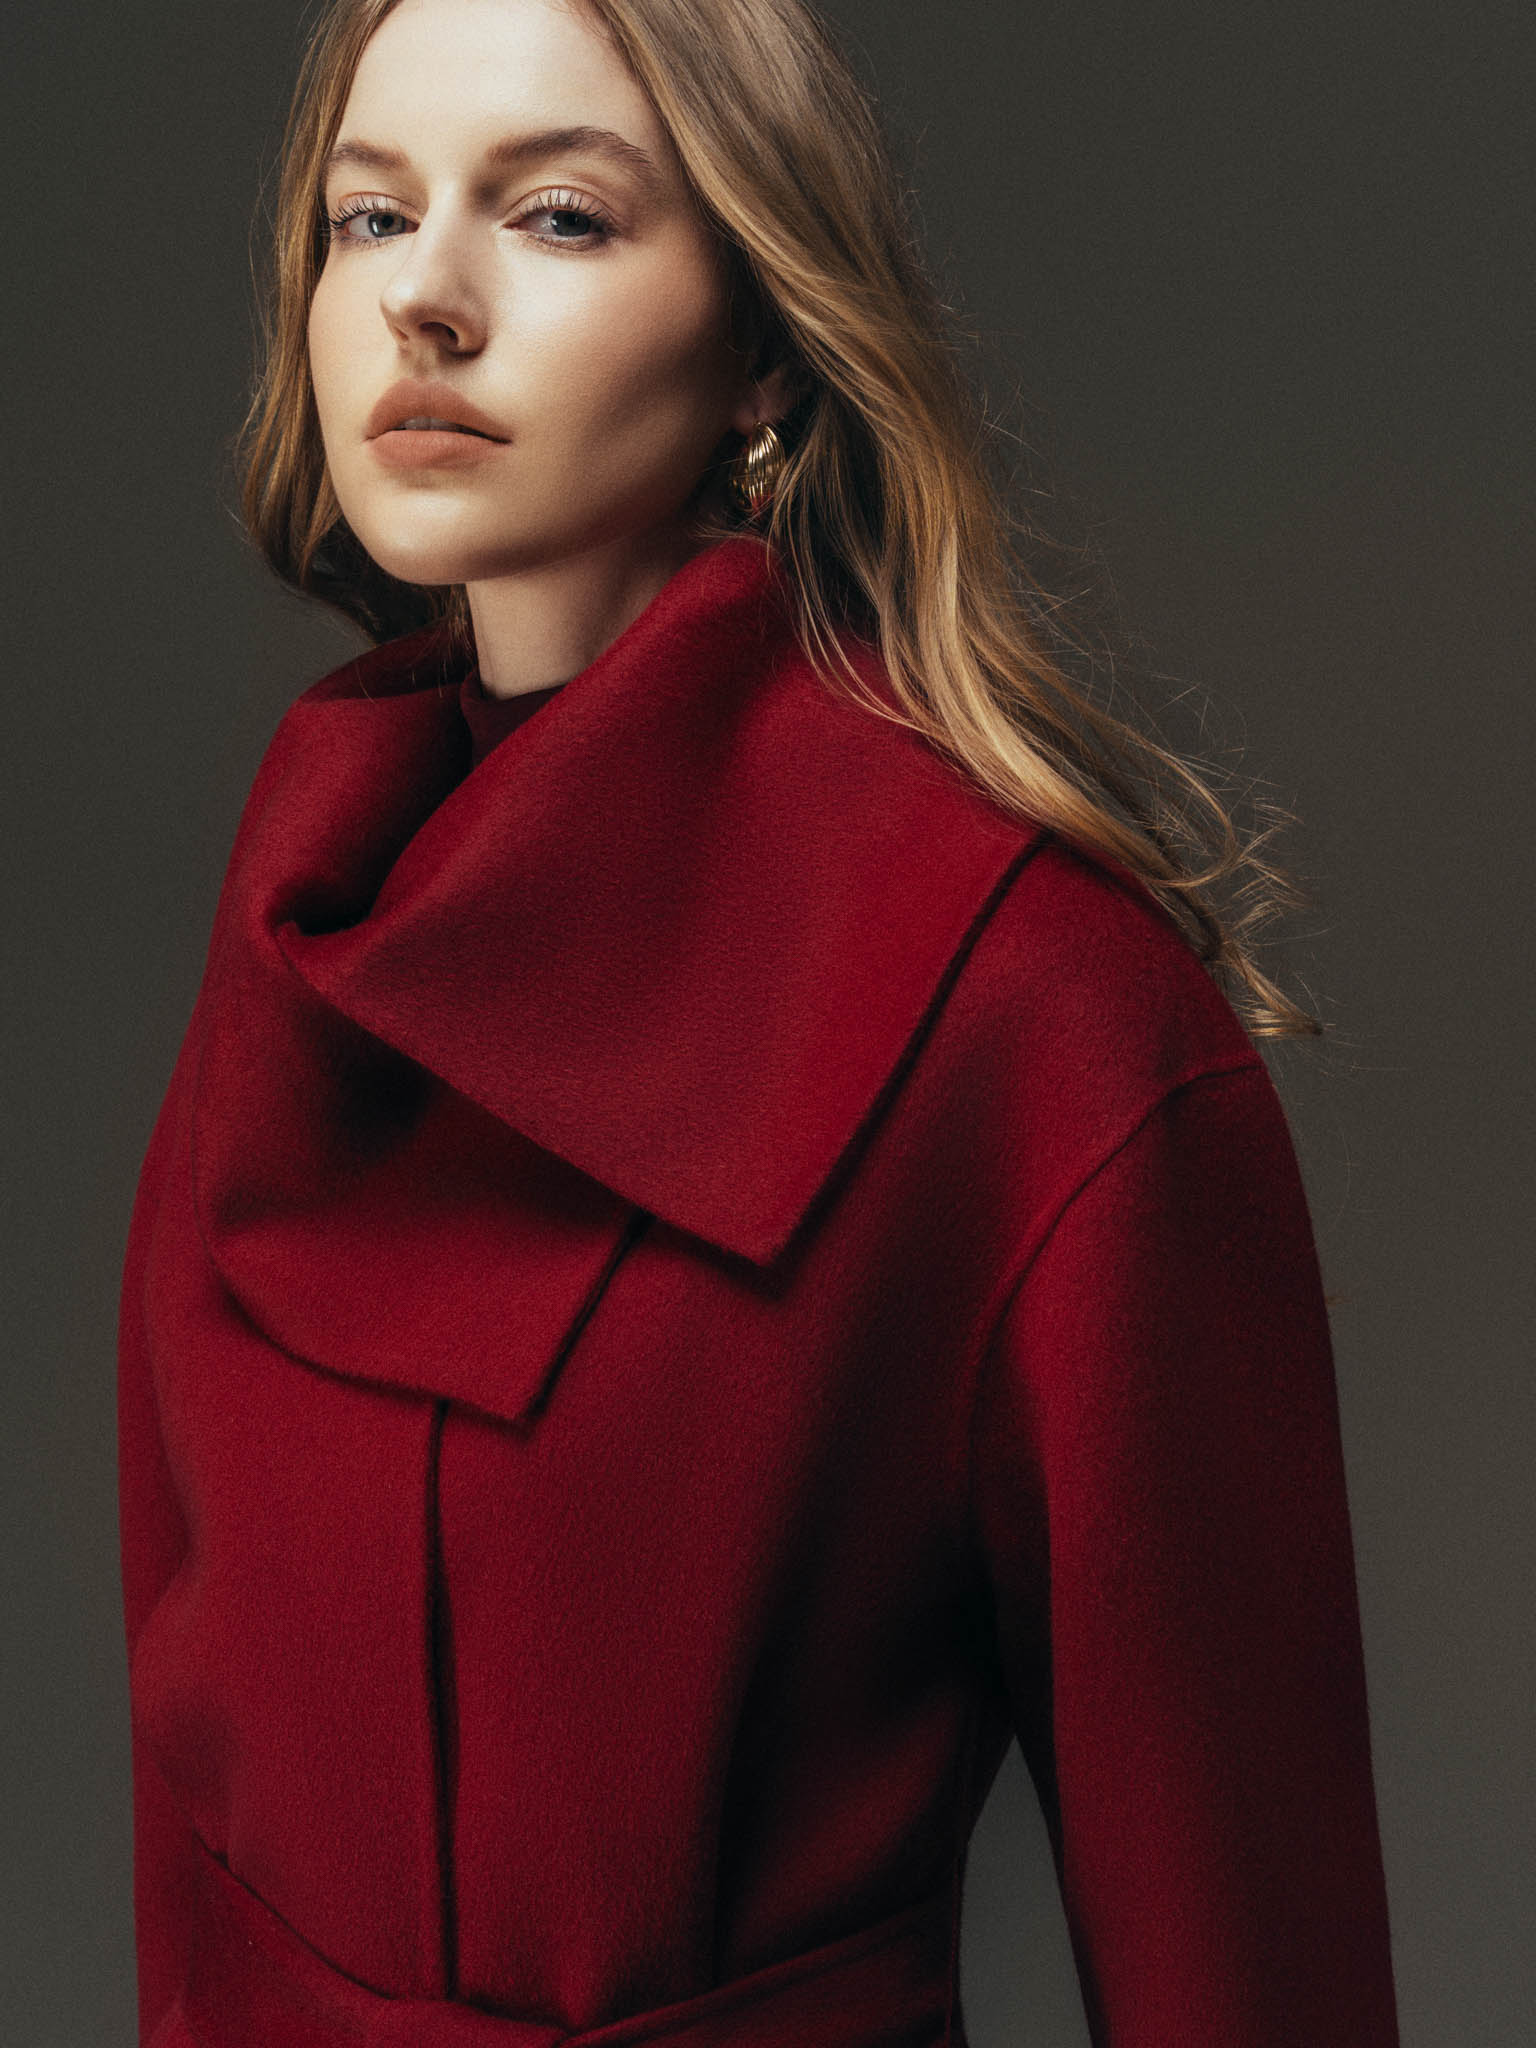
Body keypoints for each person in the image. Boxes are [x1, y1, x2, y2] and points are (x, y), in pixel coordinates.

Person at [115, 1, 1402, 2043]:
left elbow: (1248, 1960)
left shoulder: (1034, 1013)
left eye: (555, 214)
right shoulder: (306, 916)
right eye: (370, 216)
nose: (425, 297)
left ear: (767, 350)